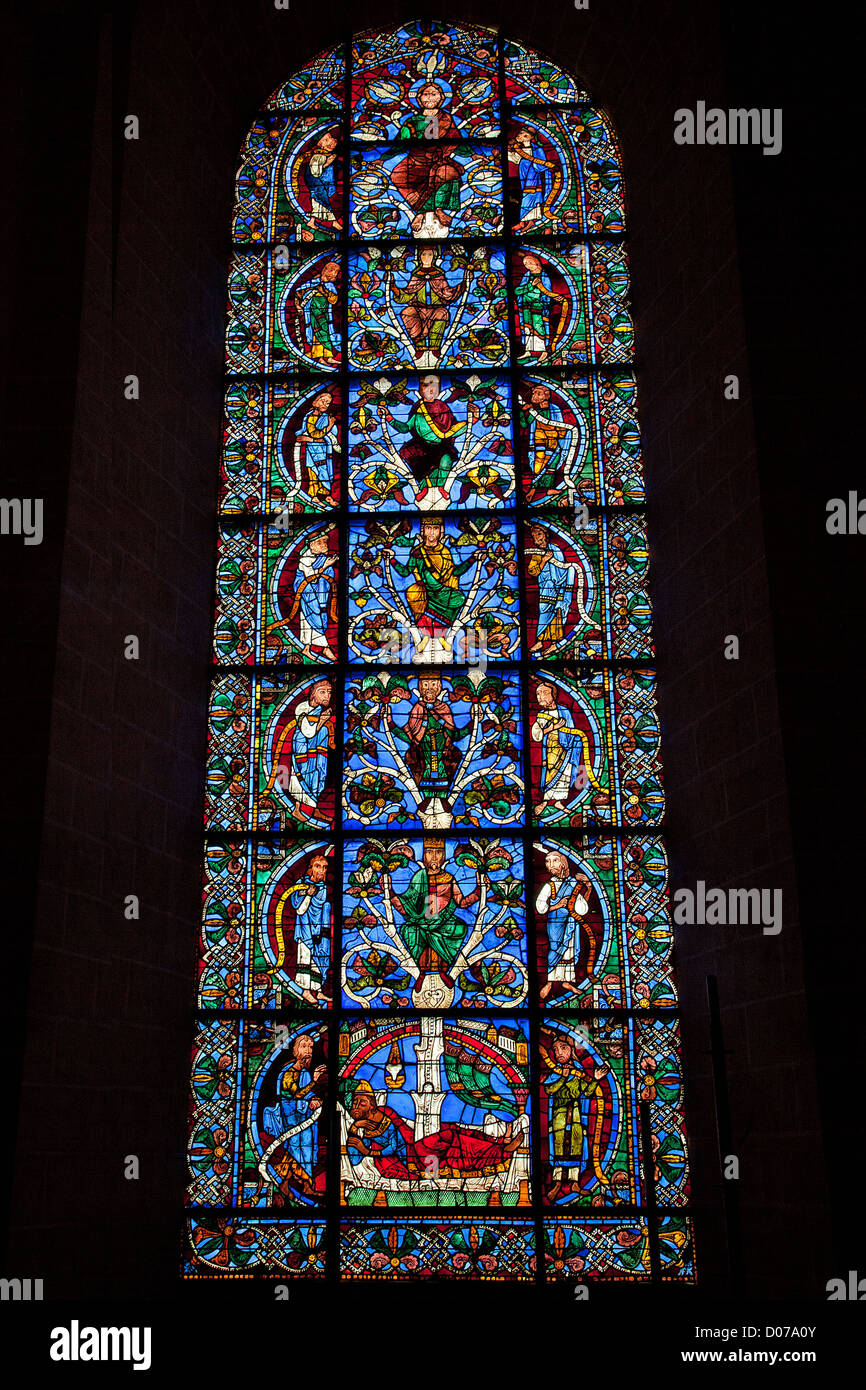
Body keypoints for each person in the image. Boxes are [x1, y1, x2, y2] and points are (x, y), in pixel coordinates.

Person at [385, 837, 482, 992]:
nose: (434, 857)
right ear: (424, 856)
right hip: (421, 922)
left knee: (460, 927)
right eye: (429, 852)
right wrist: (390, 891)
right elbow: (407, 904)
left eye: (439, 852)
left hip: (443, 922)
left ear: (444, 856)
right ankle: (421, 973)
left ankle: (443, 971)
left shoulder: (449, 878)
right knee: (410, 930)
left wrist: (479, 891)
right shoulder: (419, 877)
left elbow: (461, 902)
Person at [383, 517, 480, 650]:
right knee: (416, 597)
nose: (432, 533)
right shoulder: (417, 552)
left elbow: (455, 572)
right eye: (428, 528)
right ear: (423, 531)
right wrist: (392, 559)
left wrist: (473, 558)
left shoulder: (445, 551)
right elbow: (405, 572)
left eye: (436, 529)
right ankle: (426, 636)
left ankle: (441, 635)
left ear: (441, 531)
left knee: (460, 598)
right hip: (427, 590)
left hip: (443, 589)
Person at [380, 374, 477, 504]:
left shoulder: (443, 408)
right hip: (421, 446)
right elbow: (405, 428)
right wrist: (389, 417)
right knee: (418, 461)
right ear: (421, 390)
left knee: (446, 461)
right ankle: (424, 488)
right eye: (426, 386)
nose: (430, 390)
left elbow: (453, 428)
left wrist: (474, 418)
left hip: (441, 446)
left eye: (434, 387)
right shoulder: (418, 409)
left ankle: (441, 487)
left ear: (438, 390)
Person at [389, 83, 464, 237]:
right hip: (415, 161)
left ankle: (438, 210)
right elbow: (399, 143)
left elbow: (457, 142)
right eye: (426, 94)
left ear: (441, 98)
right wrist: (381, 158)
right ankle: (420, 211)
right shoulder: (412, 121)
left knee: (447, 173)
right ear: (419, 98)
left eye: (434, 93)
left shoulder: (446, 118)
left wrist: (475, 155)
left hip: (438, 160)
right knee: (397, 175)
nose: (430, 97)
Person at [543, 1033, 608, 1201]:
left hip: (577, 1117)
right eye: (555, 1050)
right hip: (559, 1117)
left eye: (563, 1048)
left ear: (571, 1050)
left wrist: (595, 1079)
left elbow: (587, 1091)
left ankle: (574, 1183)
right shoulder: (555, 1072)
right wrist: (563, 1077)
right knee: (558, 1149)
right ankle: (557, 1183)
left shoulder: (578, 1072)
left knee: (576, 1148)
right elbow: (549, 1090)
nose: (559, 1053)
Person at [262, 1032, 326, 1197]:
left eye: (311, 1047)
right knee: (295, 1150)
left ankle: (304, 1186)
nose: (309, 1051)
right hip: (292, 1117)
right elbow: (293, 1095)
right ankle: (287, 1183)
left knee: (307, 1150)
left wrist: (315, 1099)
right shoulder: (289, 1072)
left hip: (304, 1116)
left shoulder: (304, 1072)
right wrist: (314, 1081)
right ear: (296, 1050)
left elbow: (305, 1095)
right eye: (304, 1047)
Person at [531, 680, 598, 816]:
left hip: (566, 749)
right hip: (551, 750)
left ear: (553, 695)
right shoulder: (541, 716)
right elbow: (536, 735)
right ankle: (545, 801)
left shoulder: (564, 711)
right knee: (550, 775)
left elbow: (572, 730)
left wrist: (576, 740)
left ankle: (559, 802)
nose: (541, 697)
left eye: (544, 693)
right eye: (538, 694)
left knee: (566, 774)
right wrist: (552, 728)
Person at [269, 530, 337, 661]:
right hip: (306, 590)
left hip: (317, 590)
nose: (325, 545)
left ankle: (306, 648)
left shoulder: (319, 557)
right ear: (312, 545)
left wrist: (327, 566)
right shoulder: (305, 558)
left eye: (325, 542)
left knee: (311, 617)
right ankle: (325, 648)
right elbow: (312, 578)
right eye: (322, 542)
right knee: (313, 615)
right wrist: (326, 566)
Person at [536, 850, 594, 998]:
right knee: (555, 950)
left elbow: (582, 908)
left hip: (571, 922)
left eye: (554, 861)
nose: (551, 865)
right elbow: (541, 907)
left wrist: (588, 887)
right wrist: (559, 905)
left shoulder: (573, 883)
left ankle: (566, 981)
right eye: (548, 862)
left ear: (563, 863)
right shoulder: (550, 886)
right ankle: (549, 982)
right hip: (555, 923)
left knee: (570, 951)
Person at [274, 853, 332, 1003]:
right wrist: (308, 894)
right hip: (305, 929)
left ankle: (318, 991)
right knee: (306, 959)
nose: (321, 871)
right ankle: (306, 991)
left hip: (320, 930)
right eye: (318, 866)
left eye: (324, 868)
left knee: (320, 959)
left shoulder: (323, 888)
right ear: (310, 868)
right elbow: (299, 910)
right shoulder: (300, 886)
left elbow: (322, 905)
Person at [392, 248, 464, 364]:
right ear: (419, 257)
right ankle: (419, 346)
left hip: (435, 309)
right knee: (407, 312)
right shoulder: (416, 274)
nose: (426, 257)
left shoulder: (438, 273)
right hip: (418, 308)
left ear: (434, 257)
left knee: (443, 313)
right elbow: (408, 294)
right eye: (423, 254)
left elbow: (446, 292)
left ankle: (435, 347)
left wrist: (463, 284)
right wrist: (394, 288)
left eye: (430, 254)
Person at [405, 673, 459, 806]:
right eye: (425, 685)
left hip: (440, 740)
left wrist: (438, 719)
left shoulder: (443, 707)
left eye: (433, 684)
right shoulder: (418, 707)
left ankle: (443, 796)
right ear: (421, 688)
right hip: (425, 740)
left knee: (441, 766)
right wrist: (423, 722)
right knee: (427, 766)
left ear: (439, 688)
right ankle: (427, 796)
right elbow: (413, 725)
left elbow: (450, 726)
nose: (429, 688)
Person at [514, 252, 567, 358]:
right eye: (525, 264)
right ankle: (528, 351)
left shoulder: (544, 277)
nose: (527, 265)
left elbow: (547, 291)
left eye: (529, 262)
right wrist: (530, 286)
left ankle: (543, 351)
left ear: (537, 263)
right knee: (527, 328)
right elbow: (517, 291)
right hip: (525, 306)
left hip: (539, 306)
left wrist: (551, 297)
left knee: (539, 327)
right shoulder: (526, 276)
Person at [293, 388, 339, 503]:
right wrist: (329, 426)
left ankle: (326, 495)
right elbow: (316, 434)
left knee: (325, 472)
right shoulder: (311, 417)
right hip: (313, 451)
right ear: (316, 401)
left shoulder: (324, 416)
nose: (326, 404)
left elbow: (328, 435)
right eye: (323, 401)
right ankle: (314, 497)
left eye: (328, 403)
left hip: (323, 449)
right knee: (315, 472)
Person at [509, 127, 556, 231]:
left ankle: (528, 222)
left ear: (529, 137)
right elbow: (516, 159)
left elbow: (541, 165)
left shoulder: (537, 149)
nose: (519, 135)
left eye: (523, 134)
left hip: (533, 179)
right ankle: (523, 222)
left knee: (530, 198)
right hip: (524, 179)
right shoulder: (520, 149)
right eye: (520, 133)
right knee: (525, 198)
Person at [302, 130, 340, 229]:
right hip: (316, 182)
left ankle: (312, 221)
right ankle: (333, 222)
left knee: (321, 202)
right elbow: (315, 171)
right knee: (321, 200)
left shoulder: (327, 154)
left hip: (325, 182)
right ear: (321, 146)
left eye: (329, 137)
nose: (330, 141)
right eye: (326, 140)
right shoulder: (319, 155)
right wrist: (328, 162)